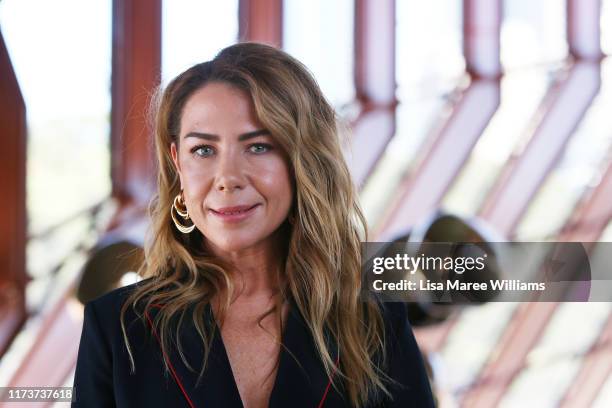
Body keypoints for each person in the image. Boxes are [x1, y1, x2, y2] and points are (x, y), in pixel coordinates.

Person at [71, 42, 435, 408]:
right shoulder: (116, 328)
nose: (227, 178)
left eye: (258, 146)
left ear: (302, 161)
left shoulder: (374, 322)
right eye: (203, 150)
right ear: (177, 161)